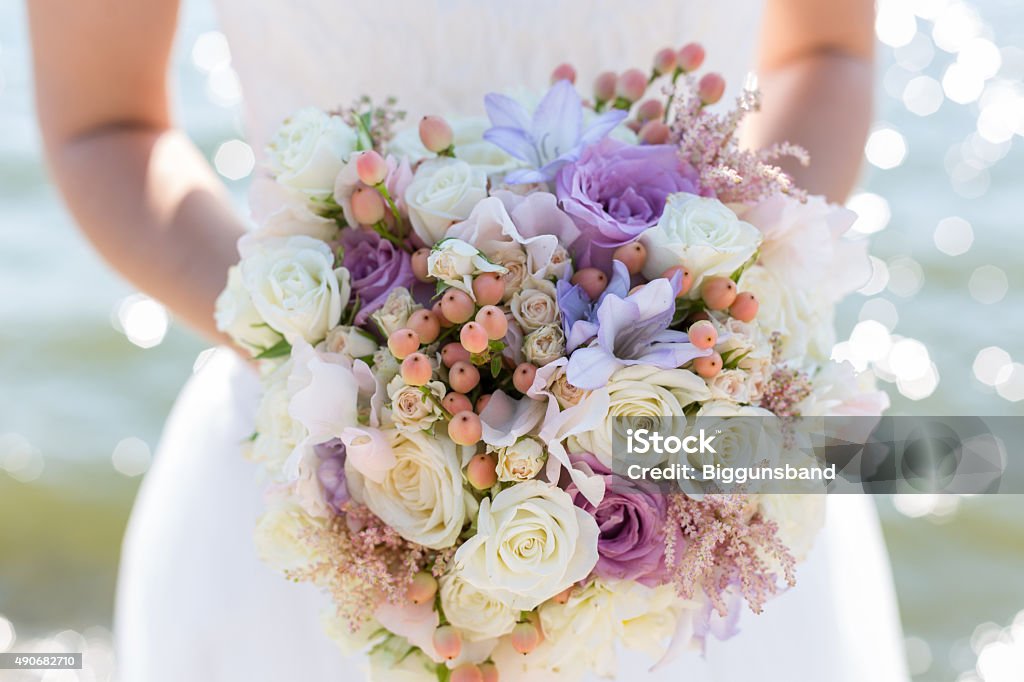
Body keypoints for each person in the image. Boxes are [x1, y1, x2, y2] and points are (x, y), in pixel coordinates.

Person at [29, 0, 909, 679]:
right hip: (331, 470)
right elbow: (104, 125)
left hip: (703, 470)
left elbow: (826, 52)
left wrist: (721, 315)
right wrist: (351, 363)